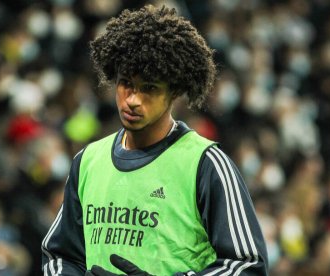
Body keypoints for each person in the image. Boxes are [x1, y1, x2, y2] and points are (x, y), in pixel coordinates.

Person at [42, 5, 268, 276]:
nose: (133, 99)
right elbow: (59, 256)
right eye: (126, 82)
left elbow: (248, 266)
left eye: (149, 88)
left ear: (174, 92)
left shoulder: (206, 164)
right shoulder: (88, 161)